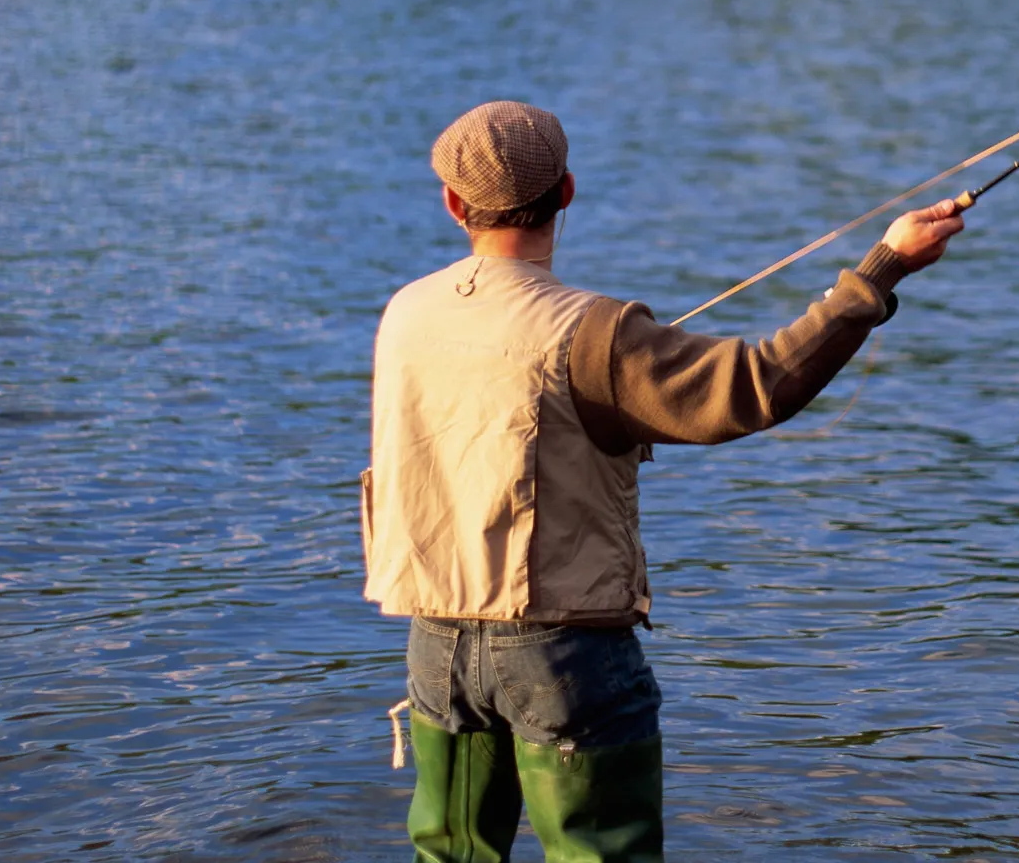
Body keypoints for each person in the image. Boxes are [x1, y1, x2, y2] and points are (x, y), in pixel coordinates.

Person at [362, 100, 966, 863]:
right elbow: (760, 385)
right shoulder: (593, 334)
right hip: (565, 654)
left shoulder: (404, 314)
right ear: (568, 192)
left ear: (453, 203)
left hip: (435, 646)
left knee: (450, 857)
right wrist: (883, 268)